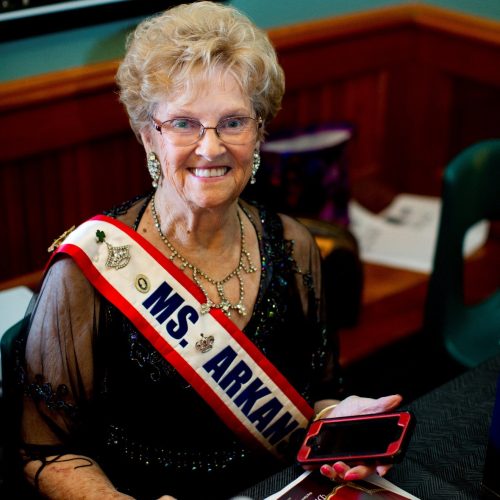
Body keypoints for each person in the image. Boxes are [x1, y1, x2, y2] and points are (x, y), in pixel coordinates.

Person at [18, 2, 402, 499]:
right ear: (147, 137)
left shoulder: (296, 246)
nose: (211, 147)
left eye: (234, 122)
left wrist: (335, 423)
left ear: (260, 133)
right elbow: (44, 453)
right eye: (183, 123)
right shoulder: (85, 274)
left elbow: (316, 393)